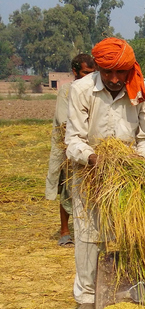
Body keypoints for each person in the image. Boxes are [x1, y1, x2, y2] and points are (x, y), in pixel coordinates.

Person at [65, 37, 145, 309]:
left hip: (130, 174)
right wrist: (94, 159)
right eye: (108, 73)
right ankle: (86, 298)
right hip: (89, 171)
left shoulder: (142, 91)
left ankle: (127, 291)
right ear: (98, 68)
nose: (115, 79)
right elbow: (74, 139)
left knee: (132, 232)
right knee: (89, 234)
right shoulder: (81, 90)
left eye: (121, 72)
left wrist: (136, 161)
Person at [45, 54, 95, 247]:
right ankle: (65, 231)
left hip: (92, 146)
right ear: (75, 72)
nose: (89, 77)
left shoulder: (94, 90)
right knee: (69, 187)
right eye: (85, 72)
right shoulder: (67, 91)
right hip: (71, 144)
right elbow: (64, 122)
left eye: (93, 73)